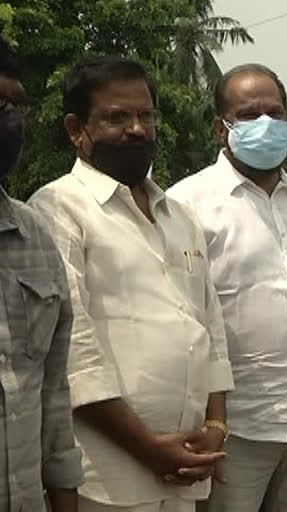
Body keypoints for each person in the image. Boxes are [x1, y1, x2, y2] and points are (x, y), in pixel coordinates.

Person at [28, 55, 234, 512]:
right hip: (107, 475)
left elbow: (209, 329)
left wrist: (216, 427)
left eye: (146, 115)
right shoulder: (58, 210)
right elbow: (73, 352)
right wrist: (148, 448)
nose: (137, 129)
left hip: (187, 466)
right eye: (117, 117)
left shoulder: (179, 214)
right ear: (75, 129)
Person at [167, 64, 287, 512]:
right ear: (220, 128)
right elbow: (185, 323)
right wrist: (211, 420)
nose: (266, 125)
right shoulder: (185, 205)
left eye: (276, 112)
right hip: (234, 429)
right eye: (250, 115)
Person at [0, 36, 84, 512]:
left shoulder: (32, 234)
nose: (11, 121)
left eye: (18, 105)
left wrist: (65, 496)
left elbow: (52, 390)